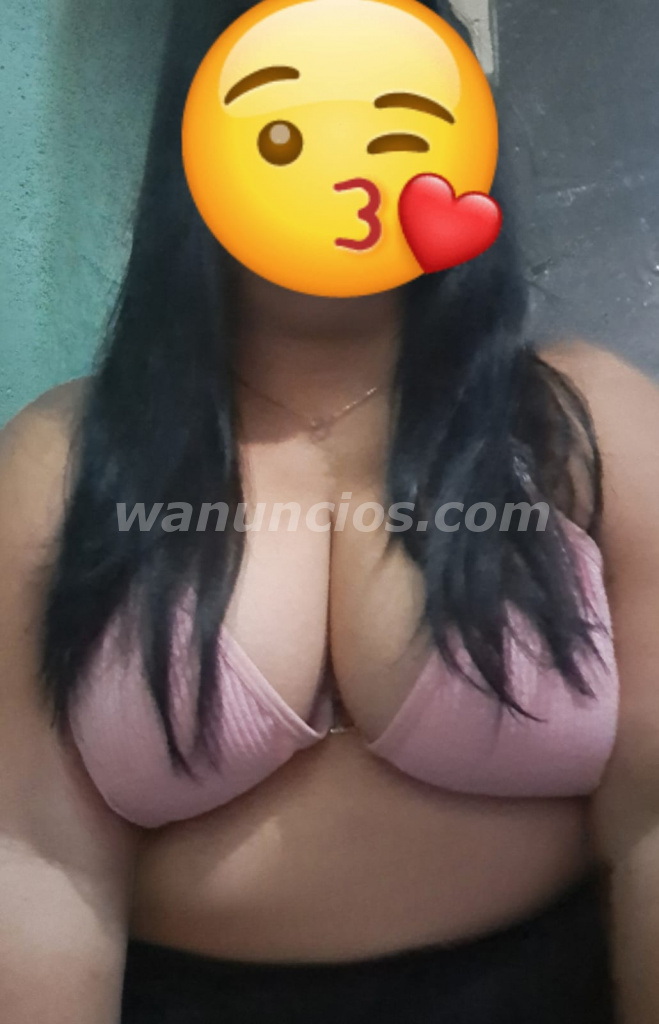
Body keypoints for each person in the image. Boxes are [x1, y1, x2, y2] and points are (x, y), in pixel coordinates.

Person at [1, 1, 659, 1022]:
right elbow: (33, 858)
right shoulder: (64, 457)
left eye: (393, 127)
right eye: (286, 131)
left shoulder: (588, 421)